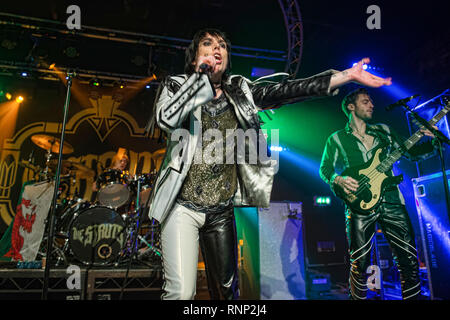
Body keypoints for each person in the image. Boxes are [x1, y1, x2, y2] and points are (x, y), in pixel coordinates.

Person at [147, 28, 392, 300]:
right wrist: (200, 78)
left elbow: (288, 90)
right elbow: (167, 120)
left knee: (228, 293)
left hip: (220, 210)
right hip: (182, 205)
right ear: (194, 58)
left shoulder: (240, 90)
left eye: (223, 46)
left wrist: (346, 76)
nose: (217, 49)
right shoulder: (176, 85)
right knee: (181, 293)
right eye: (208, 44)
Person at [319, 87, 436, 300]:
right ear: (350, 107)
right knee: (359, 263)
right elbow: (325, 169)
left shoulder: (384, 130)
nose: (372, 105)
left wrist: (435, 141)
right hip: (359, 204)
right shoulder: (336, 139)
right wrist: (338, 179)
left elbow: (412, 153)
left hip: (392, 198)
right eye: (365, 101)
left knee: (408, 259)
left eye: (371, 101)